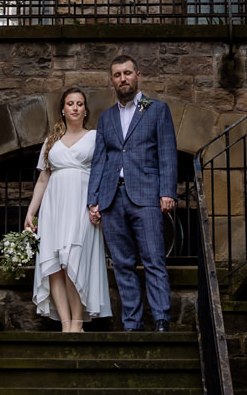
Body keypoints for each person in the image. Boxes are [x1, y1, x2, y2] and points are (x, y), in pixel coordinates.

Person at [86, 53, 177, 332]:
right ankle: (132, 322)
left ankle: (161, 318)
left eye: (127, 73)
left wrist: (167, 192)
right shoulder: (106, 118)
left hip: (147, 196)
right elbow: (100, 160)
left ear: (138, 76)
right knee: (123, 264)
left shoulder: (157, 110)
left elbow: (167, 153)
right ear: (111, 81)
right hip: (113, 199)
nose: (122, 78)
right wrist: (93, 200)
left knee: (153, 260)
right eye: (117, 75)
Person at [23, 86, 111, 332]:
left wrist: (98, 204)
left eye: (79, 104)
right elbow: (43, 179)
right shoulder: (51, 142)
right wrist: (31, 212)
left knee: (74, 260)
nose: (75, 107)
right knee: (54, 265)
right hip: (53, 207)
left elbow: (104, 173)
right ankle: (65, 324)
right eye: (70, 103)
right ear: (62, 110)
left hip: (81, 204)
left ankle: (77, 322)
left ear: (85, 110)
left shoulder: (95, 137)